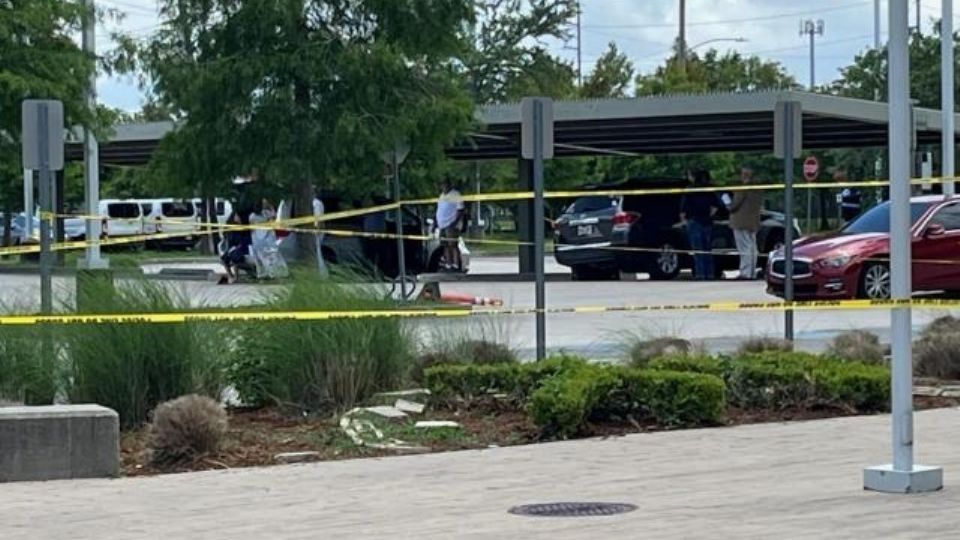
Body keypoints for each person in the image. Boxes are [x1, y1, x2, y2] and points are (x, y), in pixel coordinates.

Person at [680, 169, 722, 280]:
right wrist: (708, 215)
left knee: (698, 251)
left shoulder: (689, 190)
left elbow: (683, 209)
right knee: (707, 250)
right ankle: (710, 274)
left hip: (694, 222)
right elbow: (715, 207)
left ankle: (700, 275)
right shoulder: (708, 189)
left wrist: (684, 221)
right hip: (707, 222)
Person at [727, 167, 763, 280]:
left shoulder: (743, 188)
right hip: (753, 222)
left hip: (740, 222)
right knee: (753, 247)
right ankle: (751, 272)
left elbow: (734, 205)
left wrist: (728, 204)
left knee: (744, 248)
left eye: (743, 174)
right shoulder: (758, 189)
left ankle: (745, 272)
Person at [248, 198, 289, 280]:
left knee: (267, 256)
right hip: (262, 237)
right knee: (267, 256)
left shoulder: (262, 214)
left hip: (262, 237)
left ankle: (268, 274)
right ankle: (270, 273)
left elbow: (274, 216)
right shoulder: (257, 215)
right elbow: (274, 216)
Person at [435, 179, 464, 272]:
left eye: (445, 185)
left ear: (449, 185)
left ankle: (456, 265)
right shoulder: (441, 196)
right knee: (445, 245)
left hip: (451, 224)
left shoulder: (455, 194)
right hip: (442, 225)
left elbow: (461, 210)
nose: (443, 187)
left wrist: (454, 223)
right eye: (442, 185)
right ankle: (448, 264)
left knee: (453, 245)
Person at [219, 211, 251, 284]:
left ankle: (236, 277)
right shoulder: (231, 229)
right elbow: (230, 240)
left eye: (238, 216)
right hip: (233, 247)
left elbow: (244, 240)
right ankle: (230, 275)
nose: (238, 218)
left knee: (235, 257)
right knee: (224, 258)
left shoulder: (243, 228)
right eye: (237, 216)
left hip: (242, 247)